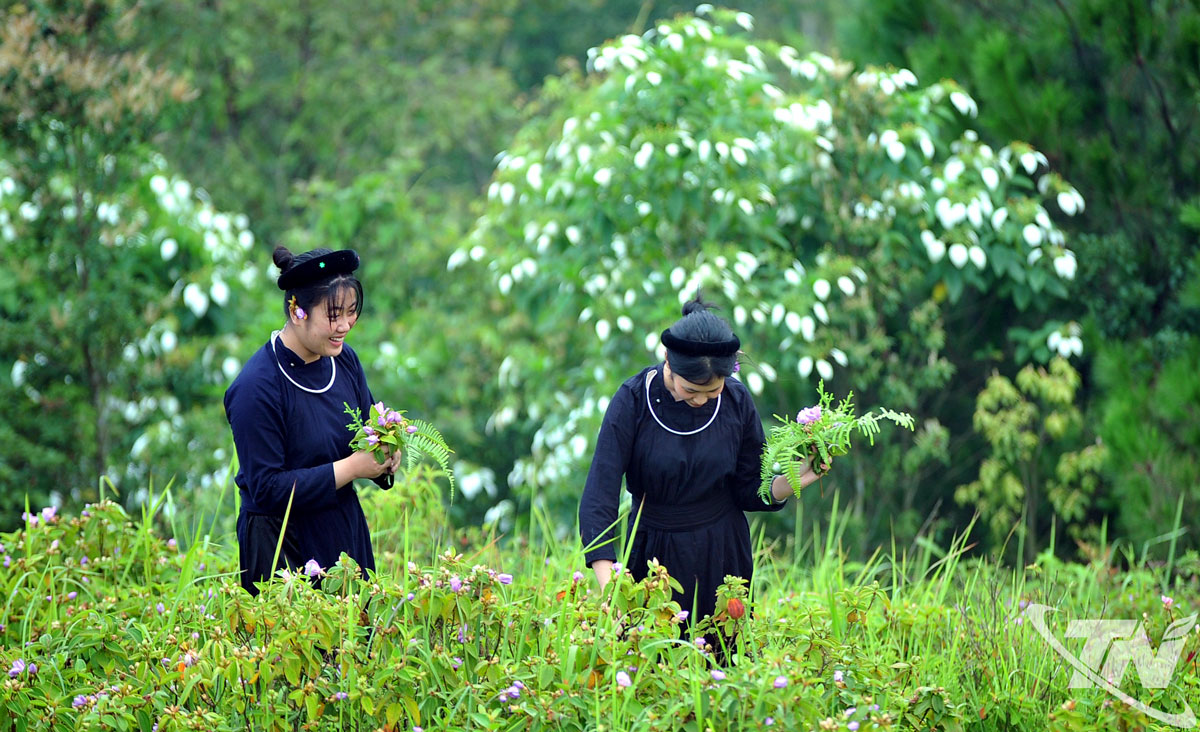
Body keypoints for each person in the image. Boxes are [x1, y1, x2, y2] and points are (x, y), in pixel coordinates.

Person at [578, 297, 830, 623]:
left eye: (713, 392)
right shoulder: (633, 401)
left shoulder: (737, 401)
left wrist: (794, 478)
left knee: (726, 661)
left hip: (724, 555)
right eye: (690, 390)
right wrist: (612, 591)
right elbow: (600, 497)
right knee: (655, 661)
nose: (700, 401)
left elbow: (748, 487)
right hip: (654, 557)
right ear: (668, 359)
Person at [224, 246, 401, 595]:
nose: (345, 326)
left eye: (351, 313)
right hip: (281, 548)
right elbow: (267, 488)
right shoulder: (256, 387)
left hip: (343, 533)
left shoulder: (343, 361)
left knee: (355, 643)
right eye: (333, 315)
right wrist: (352, 468)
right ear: (297, 310)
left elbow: (365, 434)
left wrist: (385, 455)